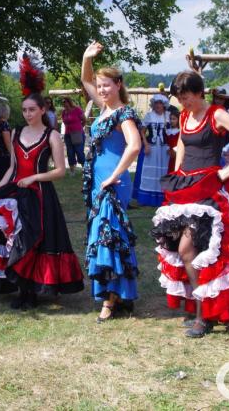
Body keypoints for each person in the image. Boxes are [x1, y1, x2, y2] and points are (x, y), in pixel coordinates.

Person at [150, 70, 229, 338]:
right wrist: (176, 175)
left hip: (209, 191)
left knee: (192, 249)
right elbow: (182, 146)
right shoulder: (186, 115)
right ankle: (204, 310)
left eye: (186, 97)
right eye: (179, 98)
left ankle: (203, 316)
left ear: (200, 92)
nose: (182, 103)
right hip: (185, 190)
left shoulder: (217, 115)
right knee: (185, 251)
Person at [0, 93, 84, 309]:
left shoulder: (51, 136)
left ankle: (33, 290)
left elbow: (60, 171)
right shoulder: (16, 132)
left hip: (40, 194)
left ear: (43, 109)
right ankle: (21, 289)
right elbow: (13, 169)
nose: (27, 114)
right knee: (15, 240)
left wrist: (34, 177)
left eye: (32, 109)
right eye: (24, 110)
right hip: (16, 194)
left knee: (35, 239)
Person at [80, 41, 142, 323]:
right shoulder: (104, 108)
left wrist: (114, 176)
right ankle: (120, 293)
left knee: (108, 237)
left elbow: (134, 146)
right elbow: (85, 79)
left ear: (118, 85)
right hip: (97, 181)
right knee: (106, 236)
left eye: (107, 85)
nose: (102, 89)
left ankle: (109, 301)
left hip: (113, 182)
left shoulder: (123, 113)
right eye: (100, 86)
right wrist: (86, 58)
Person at [131, 94, 170, 207]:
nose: (158, 105)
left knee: (163, 171)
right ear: (153, 104)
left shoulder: (168, 115)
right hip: (151, 148)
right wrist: (146, 144)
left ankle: (162, 197)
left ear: (164, 105)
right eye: (156, 103)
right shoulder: (149, 116)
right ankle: (146, 198)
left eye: (160, 103)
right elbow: (142, 131)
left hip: (164, 149)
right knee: (148, 171)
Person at [61, 97, 87, 175]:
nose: (64, 104)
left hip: (77, 134)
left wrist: (79, 128)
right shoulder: (64, 112)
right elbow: (64, 122)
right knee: (70, 152)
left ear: (69, 102)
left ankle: (85, 170)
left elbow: (84, 120)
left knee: (79, 152)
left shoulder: (77, 110)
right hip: (68, 134)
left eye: (65, 102)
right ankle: (72, 171)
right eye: (63, 102)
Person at [165, 106, 180, 173]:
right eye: (170, 119)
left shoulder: (180, 131)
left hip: (178, 154)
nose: (172, 121)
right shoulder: (168, 131)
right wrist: (168, 149)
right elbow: (167, 142)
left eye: (174, 119)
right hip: (170, 155)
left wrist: (175, 150)